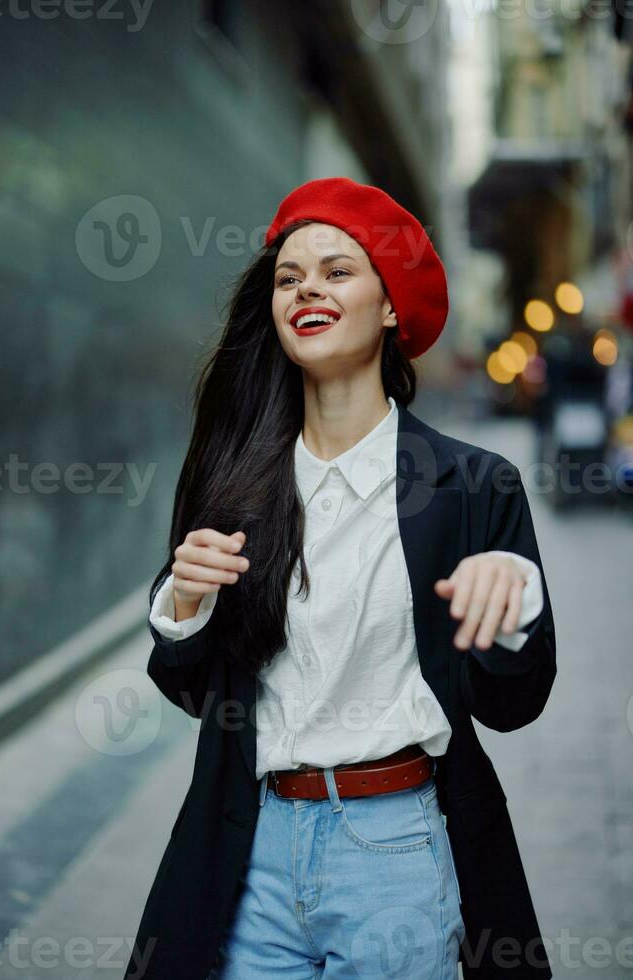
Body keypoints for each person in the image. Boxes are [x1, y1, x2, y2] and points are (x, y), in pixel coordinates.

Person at [124, 177, 556, 980]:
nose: (307, 291)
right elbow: (195, 692)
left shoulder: (473, 486)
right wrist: (181, 605)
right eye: (290, 278)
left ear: (391, 308)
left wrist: (514, 605)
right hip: (251, 849)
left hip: (394, 851)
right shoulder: (234, 478)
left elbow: (513, 705)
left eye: (336, 271)